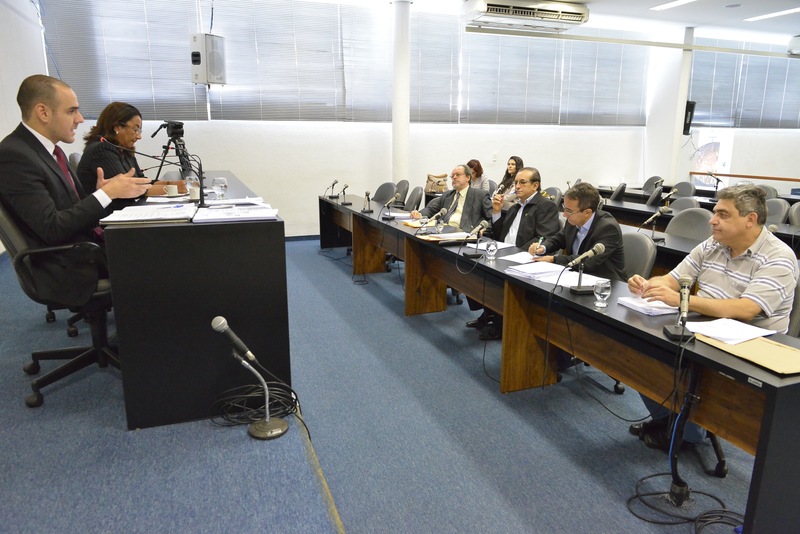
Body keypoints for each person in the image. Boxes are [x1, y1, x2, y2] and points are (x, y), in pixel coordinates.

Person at [627, 184, 799, 451]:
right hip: (705, 330)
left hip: (750, 345)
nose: (712, 220)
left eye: (723, 214)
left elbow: (747, 309)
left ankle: (689, 432)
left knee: (669, 363)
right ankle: (671, 421)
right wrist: (647, 284)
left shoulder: (779, 257)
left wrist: (683, 300)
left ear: (750, 219)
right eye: (715, 212)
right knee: (639, 350)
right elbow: (673, 279)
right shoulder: (713, 244)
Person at [0, 75, 151, 304]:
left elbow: (71, 209)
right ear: (43, 112)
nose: (80, 119)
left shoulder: (50, 151)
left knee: (160, 242)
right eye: (71, 111)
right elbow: (52, 228)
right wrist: (106, 194)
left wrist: (99, 193)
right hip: (67, 264)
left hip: (84, 246)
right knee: (161, 254)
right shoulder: (15, 156)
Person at [467, 167, 561, 340]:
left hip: (524, 259)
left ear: (535, 185)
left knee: (492, 275)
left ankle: (499, 323)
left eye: (522, 182)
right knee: (471, 266)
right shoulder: (514, 207)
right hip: (505, 254)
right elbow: (500, 234)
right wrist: (496, 212)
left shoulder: (546, 206)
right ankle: (490, 312)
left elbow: (544, 237)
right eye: (516, 182)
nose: (517, 186)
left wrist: (514, 253)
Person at [531, 182, 627, 283]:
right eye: (564, 208)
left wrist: (554, 259)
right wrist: (543, 247)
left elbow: (589, 261)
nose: (564, 214)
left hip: (605, 282)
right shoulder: (573, 219)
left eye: (569, 211)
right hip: (575, 276)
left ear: (587, 212)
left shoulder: (608, 228)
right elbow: (559, 239)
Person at [77, 101, 146, 209]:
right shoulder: (101, 149)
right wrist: (169, 189)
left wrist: (171, 184)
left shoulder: (125, 150)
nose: (138, 136)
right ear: (117, 127)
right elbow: (128, 189)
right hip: (103, 216)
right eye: (135, 129)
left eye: (139, 131)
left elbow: (142, 181)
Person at [410, 164, 492, 233]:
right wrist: (419, 213)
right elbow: (431, 209)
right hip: (442, 230)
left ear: (468, 177)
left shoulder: (479, 195)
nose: (454, 177)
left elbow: (491, 219)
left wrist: (483, 229)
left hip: (463, 234)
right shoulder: (447, 195)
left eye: (458, 175)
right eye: (452, 176)